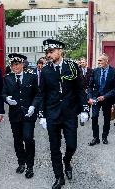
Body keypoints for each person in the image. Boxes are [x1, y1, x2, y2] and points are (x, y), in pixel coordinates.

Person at [39, 39, 89, 189]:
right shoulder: (46, 70)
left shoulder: (72, 66)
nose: (48, 55)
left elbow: (80, 89)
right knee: (54, 148)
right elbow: (42, 94)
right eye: (47, 52)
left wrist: (84, 109)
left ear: (60, 51)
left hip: (69, 114)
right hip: (52, 114)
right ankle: (59, 177)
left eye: (51, 51)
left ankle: (67, 161)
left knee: (72, 145)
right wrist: (42, 115)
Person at [2, 53, 41, 179]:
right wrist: (6, 99)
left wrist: (33, 106)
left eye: (17, 64)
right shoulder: (7, 78)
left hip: (28, 114)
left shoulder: (31, 77)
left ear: (23, 64)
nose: (15, 67)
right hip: (15, 115)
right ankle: (21, 162)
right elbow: (2, 93)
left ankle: (30, 165)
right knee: (17, 140)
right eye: (13, 64)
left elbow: (38, 94)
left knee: (28, 138)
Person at [87, 53, 115, 146]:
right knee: (94, 116)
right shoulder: (95, 71)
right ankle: (95, 138)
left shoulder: (114, 71)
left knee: (107, 118)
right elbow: (90, 86)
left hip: (107, 99)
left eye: (100, 60)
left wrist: (105, 96)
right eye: (98, 60)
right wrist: (89, 97)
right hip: (95, 98)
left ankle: (104, 137)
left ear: (107, 61)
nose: (99, 62)